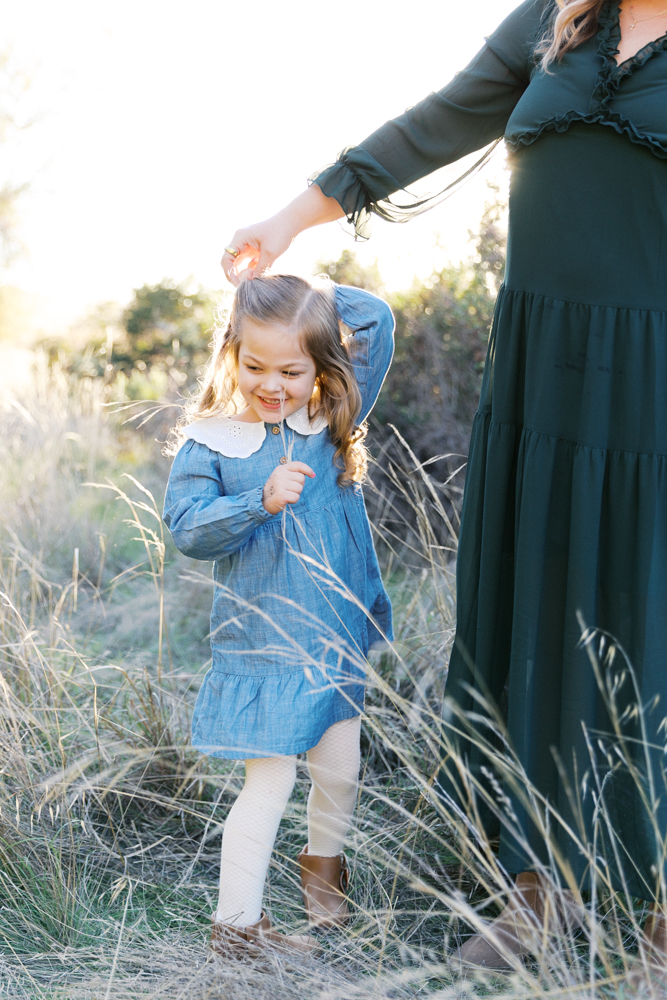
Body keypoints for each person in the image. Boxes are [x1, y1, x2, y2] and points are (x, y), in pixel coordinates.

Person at [220, 0, 667, 978]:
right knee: (538, 617)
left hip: (652, 385)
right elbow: (433, 121)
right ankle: (537, 896)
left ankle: (656, 918)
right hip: (540, 380)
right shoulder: (559, 19)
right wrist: (292, 216)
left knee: (649, 624)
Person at [163, 274, 394, 956]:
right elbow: (187, 530)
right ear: (230, 352)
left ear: (318, 367)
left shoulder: (328, 418)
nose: (272, 385)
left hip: (335, 635)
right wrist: (257, 501)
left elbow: (375, 318)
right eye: (254, 364)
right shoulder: (211, 443)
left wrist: (291, 288)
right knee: (269, 782)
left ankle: (322, 866)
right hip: (264, 645)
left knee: (339, 769)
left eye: (291, 369)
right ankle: (237, 927)